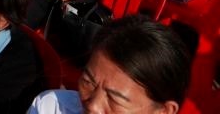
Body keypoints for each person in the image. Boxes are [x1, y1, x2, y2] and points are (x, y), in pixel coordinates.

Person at [28, 16, 190, 114]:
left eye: (115, 99)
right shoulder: (52, 107)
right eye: (88, 82)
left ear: (164, 111)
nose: (93, 106)